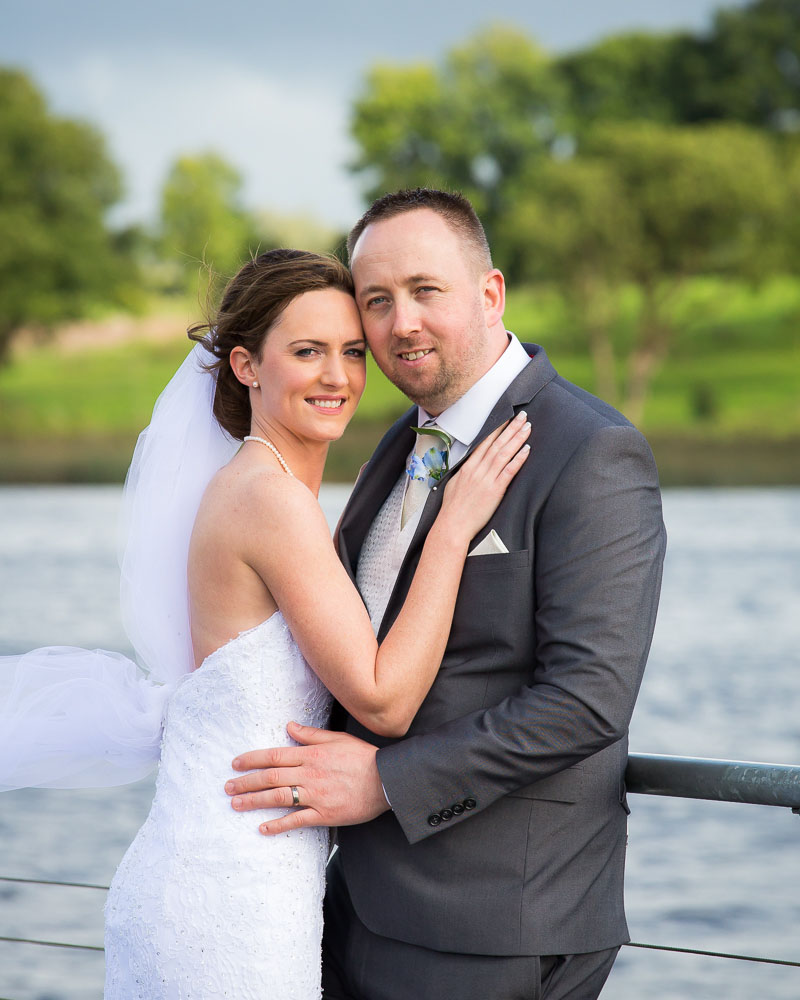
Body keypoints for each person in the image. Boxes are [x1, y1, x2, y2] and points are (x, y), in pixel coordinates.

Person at [0, 248, 530, 999]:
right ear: (247, 365)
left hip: (250, 878)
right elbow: (384, 698)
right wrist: (452, 530)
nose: (338, 377)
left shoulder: (270, 491)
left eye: (352, 352)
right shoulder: (266, 499)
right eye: (307, 352)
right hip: (227, 896)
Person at [225, 191, 668, 1000]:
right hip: (345, 901)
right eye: (378, 301)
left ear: (490, 293)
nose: (402, 325)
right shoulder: (399, 439)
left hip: (490, 928)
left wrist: (387, 783)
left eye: (427, 291)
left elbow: (588, 701)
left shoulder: (591, 451)